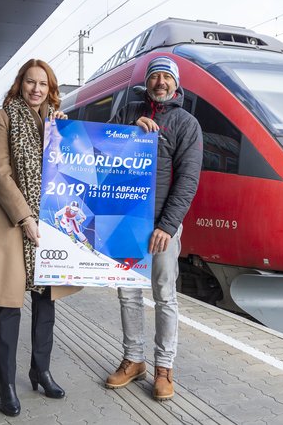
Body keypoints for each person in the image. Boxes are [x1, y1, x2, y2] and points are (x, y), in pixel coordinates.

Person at [0, 59, 81, 417]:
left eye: (43, 84)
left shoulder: (57, 123)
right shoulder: (3, 117)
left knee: (46, 301)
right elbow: (0, 173)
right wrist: (26, 218)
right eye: (30, 82)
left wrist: (65, 135)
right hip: (12, 222)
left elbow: (71, 168)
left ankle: (40, 370)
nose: (36, 89)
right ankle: (5, 384)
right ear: (20, 84)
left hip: (50, 222)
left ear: (51, 90)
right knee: (8, 307)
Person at [105, 56, 203, 400]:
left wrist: (168, 225)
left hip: (162, 226)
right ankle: (133, 359)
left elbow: (188, 179)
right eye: (154, 76)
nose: (160, 81)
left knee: (164, 294)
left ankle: (164, 367)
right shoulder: (128, 114)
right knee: (128, 292)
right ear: (146, 82)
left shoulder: (187, 124)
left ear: (176, 84)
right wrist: (131, 130)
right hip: (128, 221)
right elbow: (104, 150)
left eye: (166, 77)